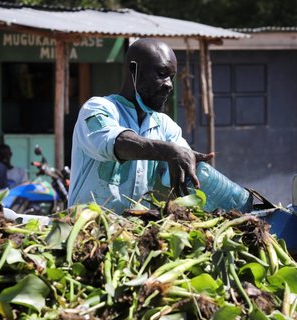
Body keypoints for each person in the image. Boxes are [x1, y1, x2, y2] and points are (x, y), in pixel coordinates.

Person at [69, 37, 213, 213]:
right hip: (89, 232)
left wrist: (192, 167)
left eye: (172, 77)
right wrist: (168, 152)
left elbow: (182, 163)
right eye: (161, 74)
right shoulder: (98, 109)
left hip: (133, 235)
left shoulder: (165, 126)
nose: (169, 85)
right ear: (133, 69)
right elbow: (116, 143)